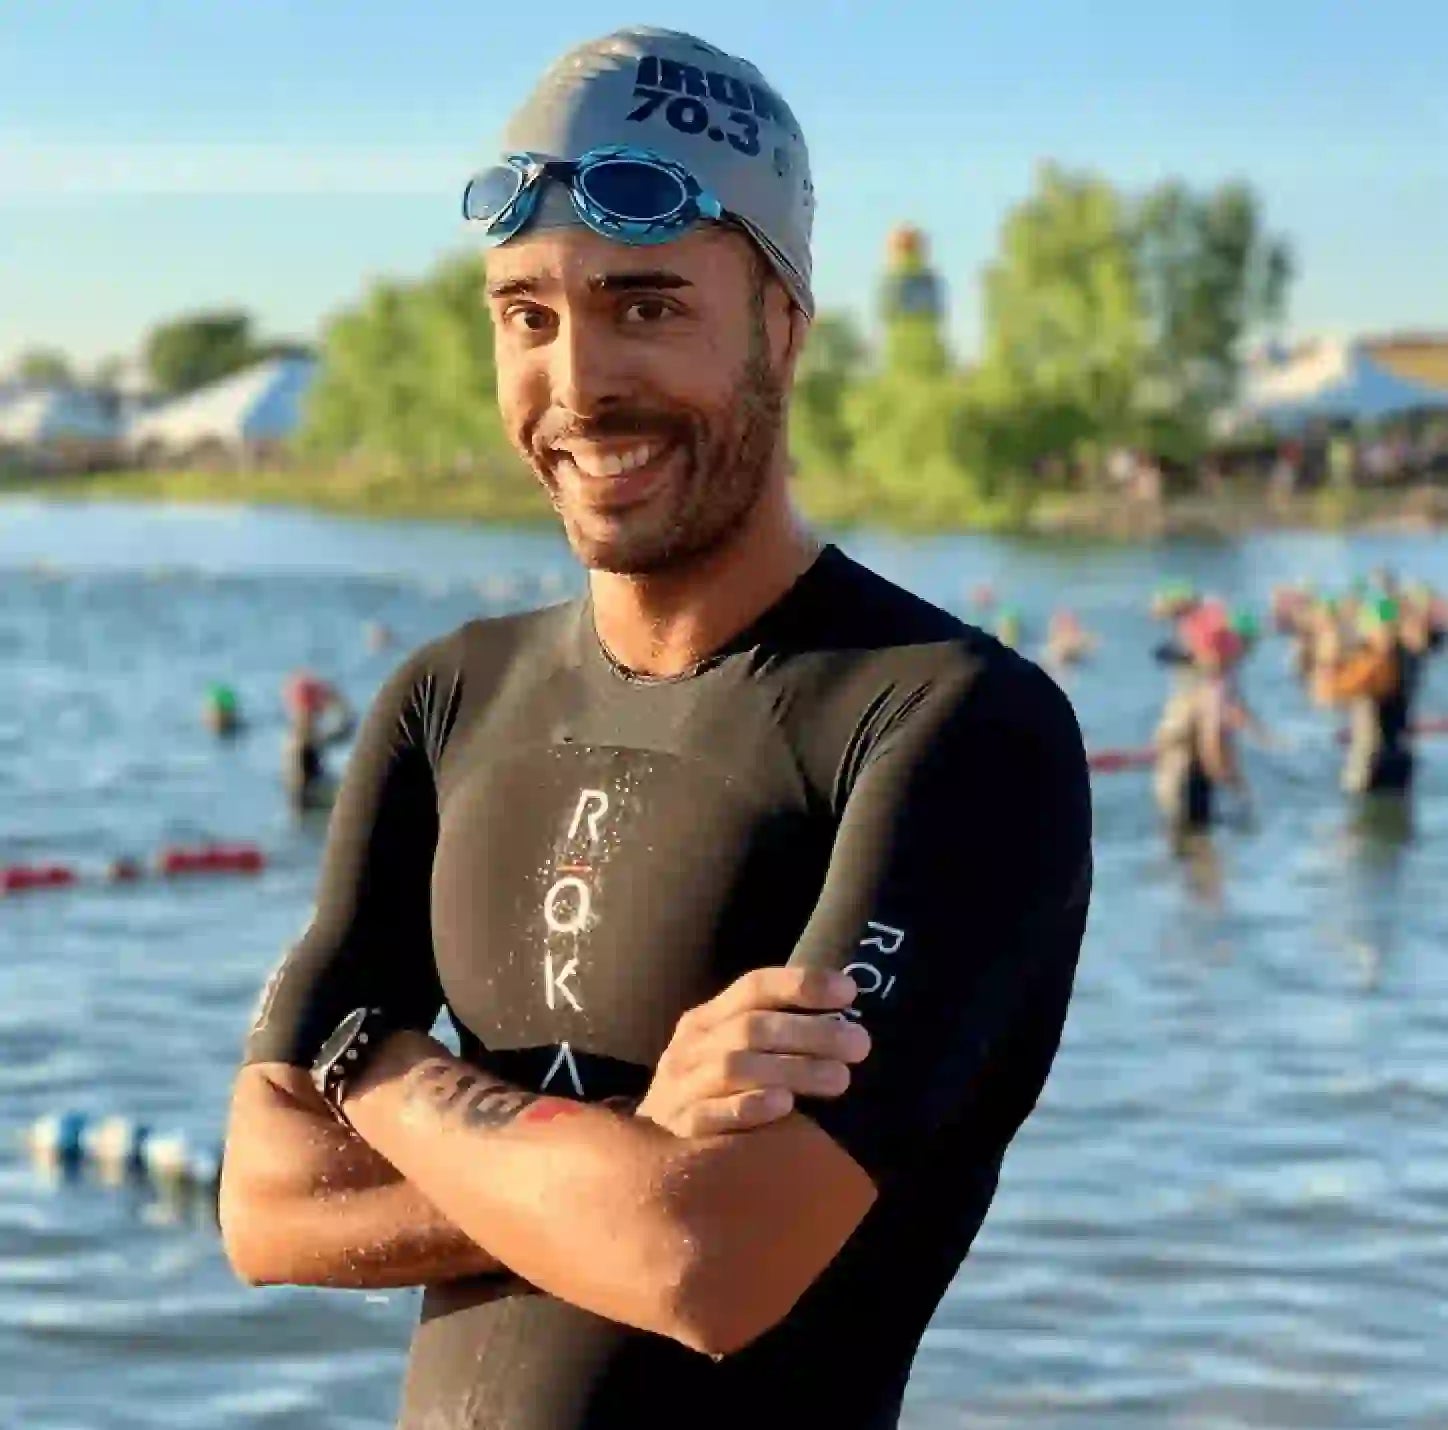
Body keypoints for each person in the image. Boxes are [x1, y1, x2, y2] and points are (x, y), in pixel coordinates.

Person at [219, 28, 1092, 1430]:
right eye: (530, 315)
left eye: (645, 306)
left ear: (782, 324)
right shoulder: (448, 699)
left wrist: (366, 1057)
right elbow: (262, 1205)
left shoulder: (950, 724)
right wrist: (623, 1153)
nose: (577, 386)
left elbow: (706, 1255)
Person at [1153, 604, 1255, 840]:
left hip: (1174, 782)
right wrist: (1237, 786)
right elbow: (1211, 745)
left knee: (1177, 837)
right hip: (1189, 783)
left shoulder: (1188, 685)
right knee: (1198, 849)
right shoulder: (1211, 688)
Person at [1313, 596, 1416, 794]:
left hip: (1372, 759)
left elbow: (1327, 695)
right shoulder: (1404, 655)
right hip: (1398, 753)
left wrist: (1326, 661)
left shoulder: (1375, 663)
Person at [281, 672, 355, 811]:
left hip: (307, 805)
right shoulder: (303, 738)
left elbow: (344, 731)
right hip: (311, 807)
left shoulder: (300, 735)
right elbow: (345, 729)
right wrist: (338, 700)